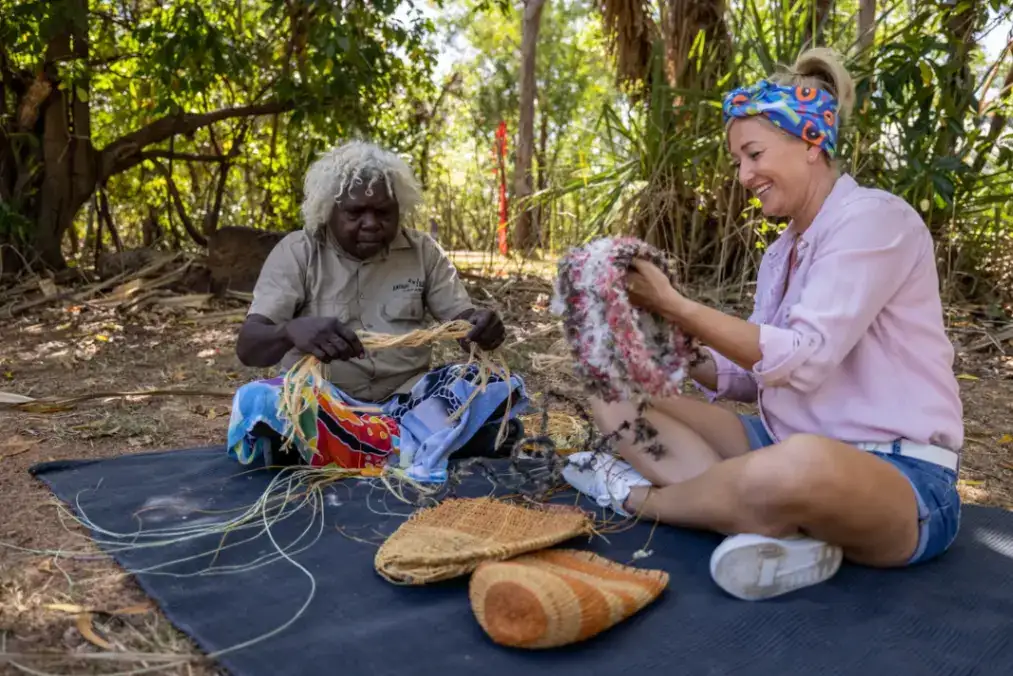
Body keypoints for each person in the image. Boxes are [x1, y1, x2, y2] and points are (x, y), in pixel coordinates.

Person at [562, 48, 963, 601]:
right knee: (614, 392)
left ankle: (635, 498)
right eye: (737, 162)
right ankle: (768, 523)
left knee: (798, 465)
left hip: (901, 478)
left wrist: (678, 305)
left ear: (812, 143)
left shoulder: (875, 219)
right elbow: (748, 376)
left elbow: (804, 355)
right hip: (783, 441)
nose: (744, 175)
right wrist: (662, 334)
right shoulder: (782, 253)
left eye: (753, 154)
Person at [227, 141, 526, 481]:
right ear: (329, 211)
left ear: (400, 208)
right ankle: (420, 445)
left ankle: (354, 447)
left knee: (488, 386)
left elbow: (461, 322)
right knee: (258, 401)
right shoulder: (298, 252)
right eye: (355, 213)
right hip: (328, 405)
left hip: (409, 402)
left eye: (384, 213)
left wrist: (480, 328)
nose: (371, 224)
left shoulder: (423, 252)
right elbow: (249, 347)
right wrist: (290, 331)